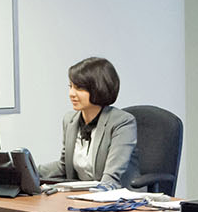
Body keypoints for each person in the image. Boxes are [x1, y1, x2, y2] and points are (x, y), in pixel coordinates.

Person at [36, 56, 139, 188]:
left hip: (118, 195)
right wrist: (27, 171)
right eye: (70, 86)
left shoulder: (122, 122)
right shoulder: (70, 120)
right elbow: (64, 166)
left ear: (98, 88)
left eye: (79, 88)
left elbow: (111, 177)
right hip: (83, 194)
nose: (71, 93)